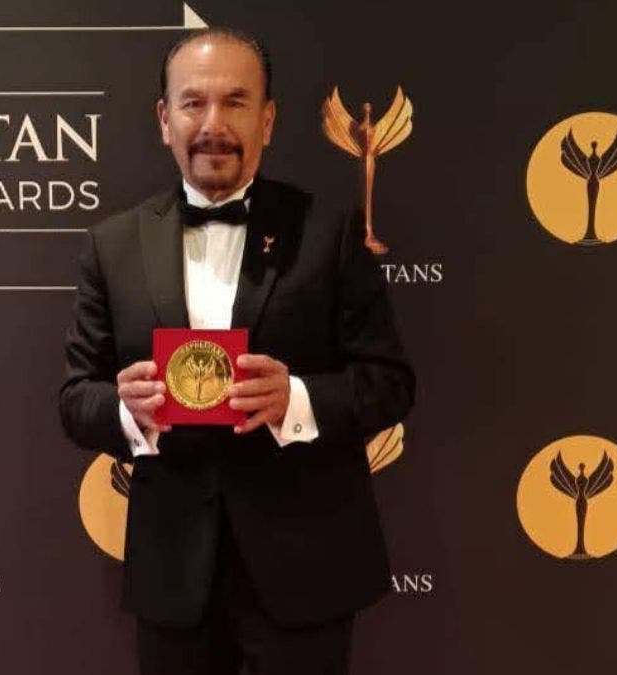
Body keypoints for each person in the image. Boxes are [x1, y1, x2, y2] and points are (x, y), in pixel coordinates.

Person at [58, 27, 415, 675]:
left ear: (267, 120)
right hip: (173, 571)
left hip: (306, 565)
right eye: (193, 103)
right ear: (164, 119)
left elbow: (391, 382)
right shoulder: (112, 245)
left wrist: (296, 399)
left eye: (236, 102)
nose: (213, 125)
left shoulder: (330, 234)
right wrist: (128, 409)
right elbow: (76, 398)